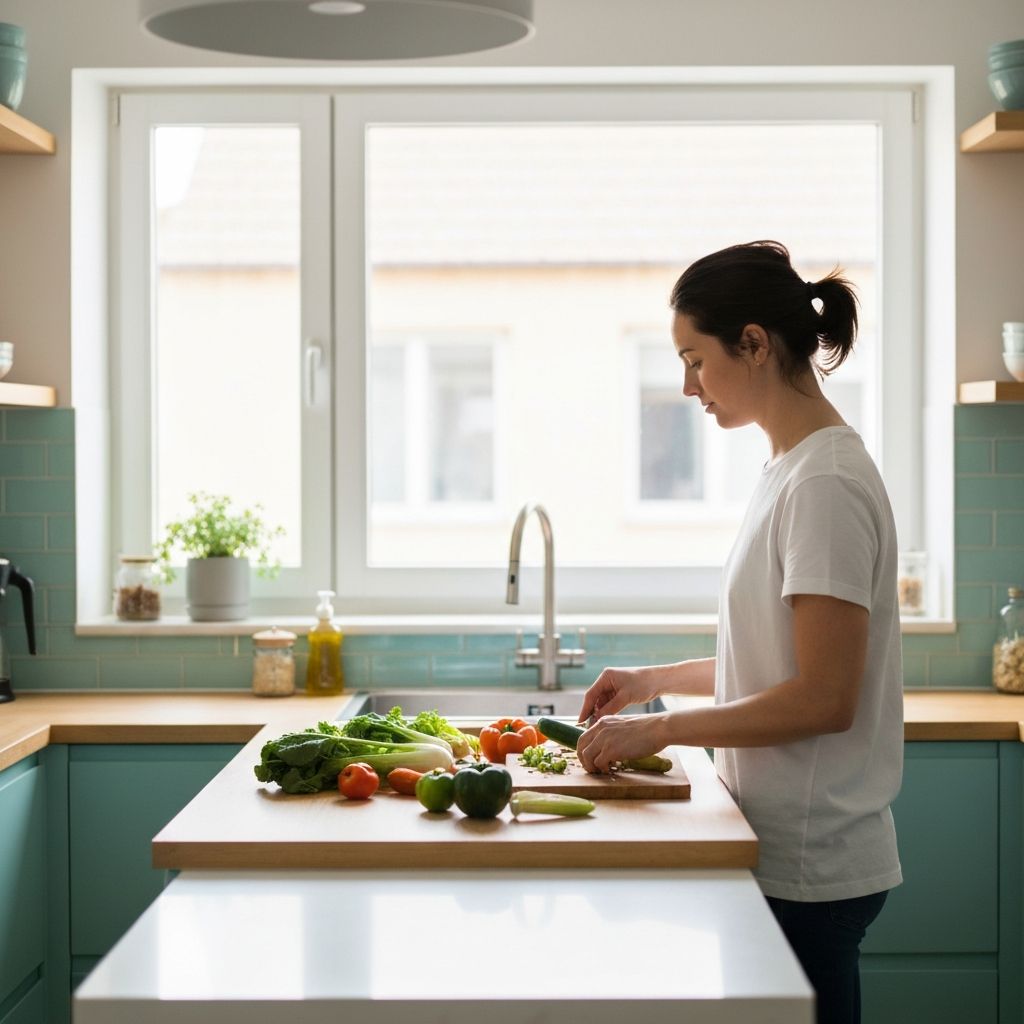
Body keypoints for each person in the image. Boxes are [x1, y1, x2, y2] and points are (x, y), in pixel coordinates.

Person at [576, 240, 903, 1024]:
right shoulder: (790, 467)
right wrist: (653, 685)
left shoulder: (823, 482)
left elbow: (824, 698)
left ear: (753, 344)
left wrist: (662, 734)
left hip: (810, 864)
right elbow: (772, 660)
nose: (687, 386)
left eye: (695, 360)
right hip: (783, 850)